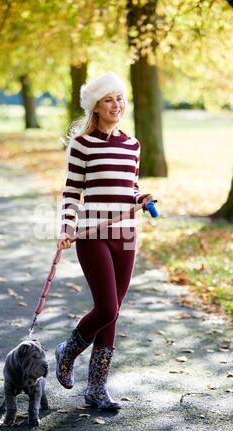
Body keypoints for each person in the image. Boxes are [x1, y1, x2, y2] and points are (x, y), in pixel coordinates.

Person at [55, 71, 154, 410]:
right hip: (93, 234)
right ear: (95, 106)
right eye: (109, 99)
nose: (117, 105)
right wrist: (67, 228)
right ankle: (67, 352)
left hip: (125, 235)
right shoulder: (83, 144)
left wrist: (141, 197)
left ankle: (96, 389)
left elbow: (130, 186)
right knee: (107, 307)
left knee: (114, 314)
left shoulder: (132, 144)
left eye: (120, 98)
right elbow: (72, 192)